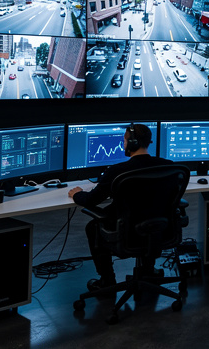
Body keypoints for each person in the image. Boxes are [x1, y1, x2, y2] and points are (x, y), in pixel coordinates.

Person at [67, 123, 172, 291]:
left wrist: (76, 194)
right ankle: (148, 270)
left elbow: (91, 200)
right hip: (160, 229)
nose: (123, 144)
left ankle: (107, 281)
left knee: (93, 227)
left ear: (131, 143)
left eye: (124, 140)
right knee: (149, 215)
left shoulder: (118, 171)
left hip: (127, 232)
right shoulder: (168, 166)